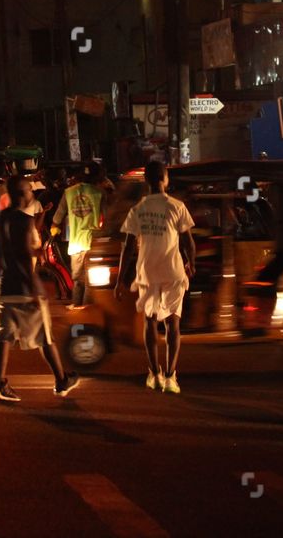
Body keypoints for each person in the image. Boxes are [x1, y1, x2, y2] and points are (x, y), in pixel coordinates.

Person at [0, 175, 80, 403]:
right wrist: (34, 289)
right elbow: (24, 255)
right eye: (29, 191)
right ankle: (61, 379)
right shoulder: (25, 222)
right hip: (23, 286)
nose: (32, 194)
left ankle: (0, 382)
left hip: (2, 286)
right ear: (21, 195)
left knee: (3, 336)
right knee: (45, 336)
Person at [115, 161, 195, 393]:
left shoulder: (138, 209)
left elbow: (128, 248)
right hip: (172, 271)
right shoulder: (176, 206)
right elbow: (188, 241)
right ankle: (171, 376)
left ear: (146, 181)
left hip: (147, 273)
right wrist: (191, 262)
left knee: (150, 321)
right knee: (173, 323)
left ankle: (154, 374)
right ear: (165, 179)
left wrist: (120, 280)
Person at [52, 161, 109, 308]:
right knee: (92, 279)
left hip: (76, 243)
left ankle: (77, 308)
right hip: (95, 242)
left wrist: (55, 229)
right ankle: (88, 309)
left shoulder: (68, 193)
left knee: (78, 280)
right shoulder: (100, 193)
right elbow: (108, 217)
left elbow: (57, 219)